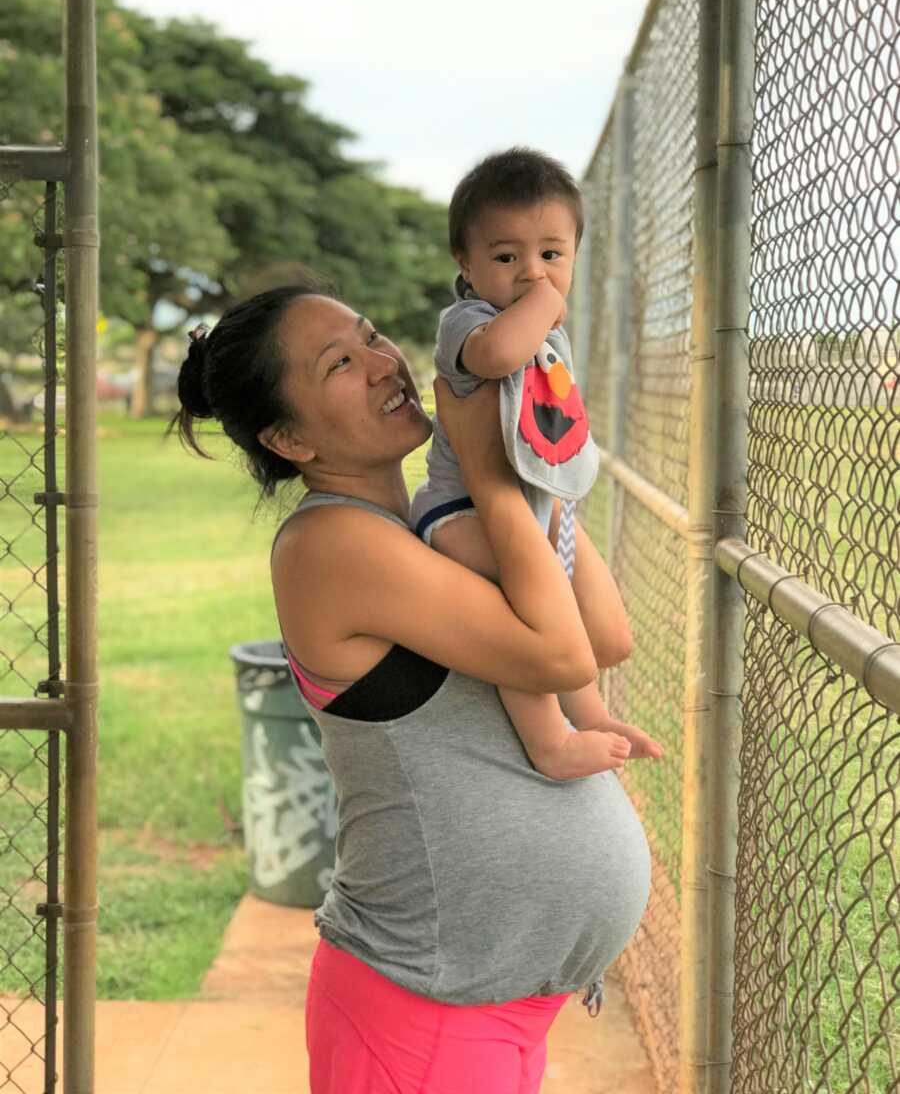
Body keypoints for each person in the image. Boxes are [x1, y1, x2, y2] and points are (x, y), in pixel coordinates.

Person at [174, 275, 652, 1094]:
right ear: (288, 438)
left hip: (483, 1006)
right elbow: (561, 660)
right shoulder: (331, 545)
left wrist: (532, 470)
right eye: (339, 364)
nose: (382, 362)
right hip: (421, 1017)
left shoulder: (437, 527)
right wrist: (494, 480)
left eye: (369, 333)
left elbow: (607, 637)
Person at [411, 148, 663, 780]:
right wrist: (546, 305)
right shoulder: (467, 321)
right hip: (461, 512)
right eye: (505, 257)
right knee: (523, 616)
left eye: (552, 255)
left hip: (539, 513)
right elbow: (497, 355)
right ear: (465, 265)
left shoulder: (549, 334)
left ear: (575, 255)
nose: (532, 273)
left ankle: (591, 715)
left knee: (594, 637)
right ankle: (548, 739)